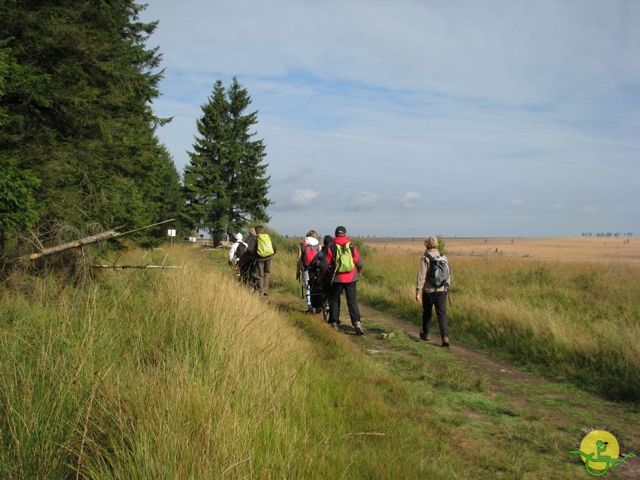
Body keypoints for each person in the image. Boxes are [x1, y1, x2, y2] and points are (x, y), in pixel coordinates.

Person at [323, 226, 364, 335]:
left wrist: (326, 274)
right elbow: (359, 263)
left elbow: (325, 265)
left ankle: (335, 323)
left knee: (335, 300)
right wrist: (358, 272)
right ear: (345, 234)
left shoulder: (331, 246)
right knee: (352, 301)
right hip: (351, 277)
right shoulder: (351, 245)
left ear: (335, 234)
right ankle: (357, 323)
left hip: (337, 278)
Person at [415, 236, 451, 347]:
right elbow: (448, 274)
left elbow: (421, 276)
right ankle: (445, 337)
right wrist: (446, 286)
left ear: (426, 244)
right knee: (442, 314)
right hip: (442, 290)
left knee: (427, 313)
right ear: (436, 244)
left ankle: (426, 334)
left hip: (428, 291)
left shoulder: (425, 257)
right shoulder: (443, 257)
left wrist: (418, 292)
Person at [247, 225, 276, 296]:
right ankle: (266, 290)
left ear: (256, 231)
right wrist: (270, 254)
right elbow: (274, 248)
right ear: (262, 230)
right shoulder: (267, 237)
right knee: (267, 273)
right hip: (269, 258)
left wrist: (253, 255)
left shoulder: (255, 238)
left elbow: (250, 249)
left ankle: (261, 291)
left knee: (260, 275)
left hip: (259, 258)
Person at [297, 230, 321, 313]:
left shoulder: (302, 244)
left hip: (305, 268)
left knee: (308, 286)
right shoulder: (318, 244)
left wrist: (297, 272)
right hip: (316, 269)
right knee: (316, 286)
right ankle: (318, 306)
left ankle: (310, 306)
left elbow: (299, 259)